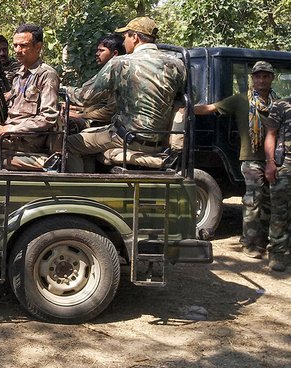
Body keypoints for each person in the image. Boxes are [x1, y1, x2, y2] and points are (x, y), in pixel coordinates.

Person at [65, 17, 186, 173]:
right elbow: (187, 100)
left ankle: (79, 191)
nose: (123, 43)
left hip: (127, 138)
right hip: (158, 141)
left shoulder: (121, 63)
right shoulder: (177, 64)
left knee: (69, 143)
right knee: (89, 135)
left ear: (135, 37)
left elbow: (85, 96)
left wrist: (63, 89)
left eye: (125, 37)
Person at [194, 61, 276, 258]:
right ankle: (250, 244)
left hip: (274, 158)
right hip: (251, 158)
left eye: (265, 76)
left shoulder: (279, 103)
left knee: (269, 202)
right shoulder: (241, 100)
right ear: (252, 79)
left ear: (272, 78)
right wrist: (184, 107)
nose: (261, 80)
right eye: (257, 76)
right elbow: (210, 108)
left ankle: (263, 242)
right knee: (253, 200)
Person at [0, 23, 60, 170]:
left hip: (26, 139)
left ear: (38, 47)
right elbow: (10, 113)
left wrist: (9, 129)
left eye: (23, 46)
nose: (17, 50)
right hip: (10, 131)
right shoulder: (19, 75)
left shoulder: (47, 75)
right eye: (15, 46)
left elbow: (48, 116)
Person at [65, 34, 126, 129]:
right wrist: (77, 109)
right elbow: (101, 104)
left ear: (115, 54)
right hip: (107, 122)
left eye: (101, 50)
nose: (97, 54)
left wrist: (80, 115)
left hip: (111, 126)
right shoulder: (116, 69)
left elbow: (109, 111)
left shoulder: (117, 72)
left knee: (69, 135)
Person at [262, 95, 291, 272]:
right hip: (286, 165)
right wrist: (270, 163)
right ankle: (277, 253)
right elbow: (271, 135)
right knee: (280, 211)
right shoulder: (281, 105)